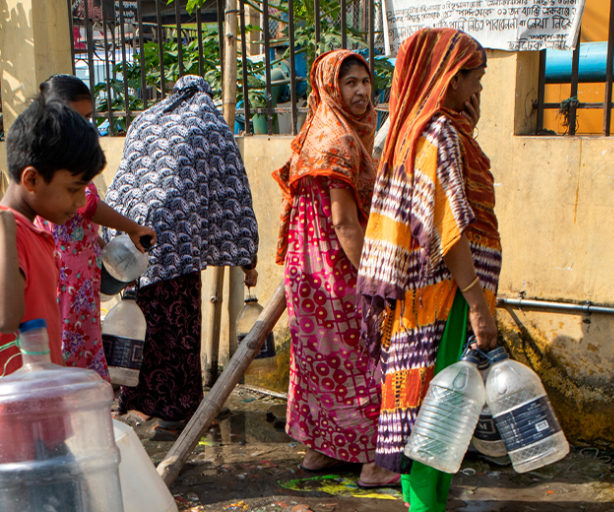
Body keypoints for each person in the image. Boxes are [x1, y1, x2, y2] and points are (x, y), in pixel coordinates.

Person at [356, 28, 502, 511]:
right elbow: (448, 229)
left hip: (426, 295)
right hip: (445, 297)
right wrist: (478, 305)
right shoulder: (437, 133)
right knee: (434, 413)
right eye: (473, 80)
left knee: (427, 408)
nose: (477, 90)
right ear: (449, 78)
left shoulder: (419, 128)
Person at [104, 75, 259, 439]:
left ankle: (136, 401)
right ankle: (176, 408)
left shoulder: (146, 120)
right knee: (177, 324)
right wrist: (247, 257)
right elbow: (233, 194)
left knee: (141, 319)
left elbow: (125, 179)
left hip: (135, 233)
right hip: (178, 241)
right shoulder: (208, 123)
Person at [273, 49, 399, 488]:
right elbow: (345, 222)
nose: (361, 91)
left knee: (317, 358)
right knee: (362, 359)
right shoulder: (340, 140)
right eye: (351, 83)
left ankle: (322, 449)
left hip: (305, 267)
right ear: (331, 87)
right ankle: (373, 459)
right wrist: (375, 277)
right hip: (335, 268)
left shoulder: (317, 128)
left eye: (365, 81)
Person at [35, 74, 156, 380]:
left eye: (89, 118)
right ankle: (78, 408)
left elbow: (79, 216)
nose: (86, 126)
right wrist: (131, 228)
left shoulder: (46, 149)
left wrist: (101, 246)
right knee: (75, 345)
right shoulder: (63, 154)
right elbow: (87, 205)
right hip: (69, 270)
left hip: (63, 262)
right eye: (79, 117)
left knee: (67, 338)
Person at [0, 97, 106, 376]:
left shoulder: (33, 232)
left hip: (38, 395)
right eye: (73, 189)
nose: (80, 202)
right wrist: (5, 232)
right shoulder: (10, 232)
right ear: (31, 180)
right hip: (15, 406)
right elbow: (5, 317)